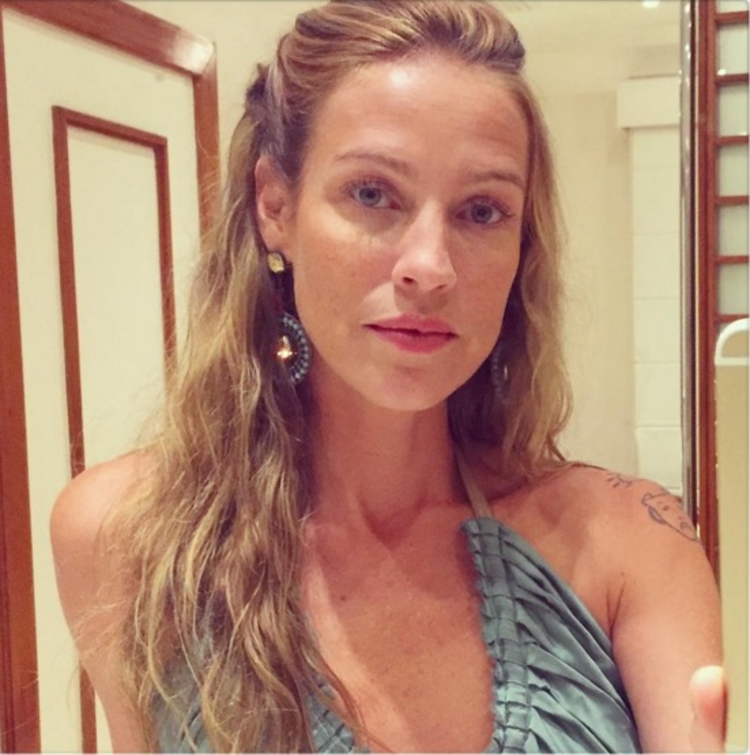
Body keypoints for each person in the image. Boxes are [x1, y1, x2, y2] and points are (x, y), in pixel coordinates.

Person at [51, 0, 727, 752]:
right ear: (276, 206)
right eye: (372, 194)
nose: (430, 267)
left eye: (482, 210)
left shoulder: (628, 543)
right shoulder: (126, 537)